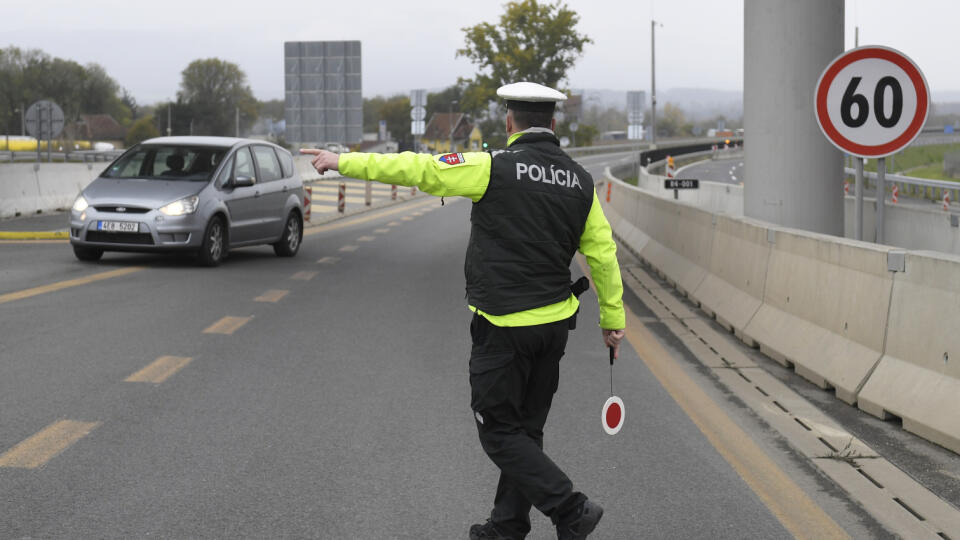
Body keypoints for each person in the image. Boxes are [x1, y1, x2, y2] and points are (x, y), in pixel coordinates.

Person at [301, 81, 625, 540]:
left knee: (498, 431)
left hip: (505, 326)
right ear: (553, 124)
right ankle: (507, 527)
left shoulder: (492, 166)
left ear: (509, 122)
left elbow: (421, 169)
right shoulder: (579, 181)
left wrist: (342, 161)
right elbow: (603, 254)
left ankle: (570, 508)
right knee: (525, 432)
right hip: (554, 326)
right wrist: (612, 319)